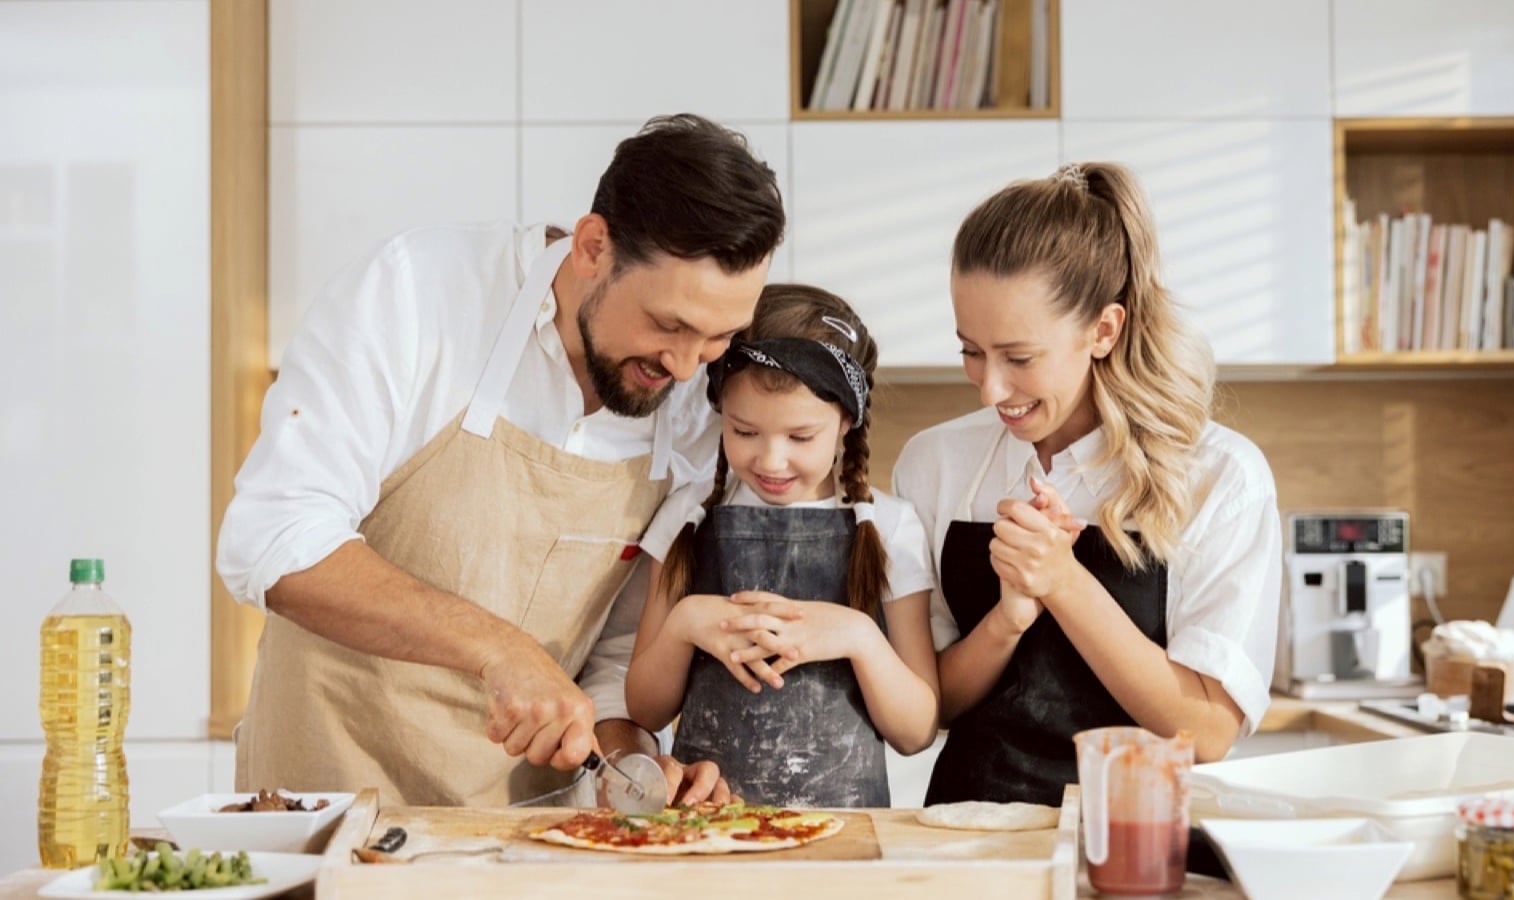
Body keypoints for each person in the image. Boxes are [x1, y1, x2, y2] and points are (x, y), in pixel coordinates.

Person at [215, 114, 787, 807]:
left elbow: (612, 655)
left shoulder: (700, 408)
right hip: (325, 806)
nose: (685, 364)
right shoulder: (416, 297)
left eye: (717, 338)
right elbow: (272, 542)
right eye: (668, 324)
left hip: (522, 835)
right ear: (592, 247)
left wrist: (634, 764)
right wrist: (499, 649)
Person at [892, 162, 1281, 806]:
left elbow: (1208, 730)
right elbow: (930, 704)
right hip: (967, 835)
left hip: (1136, 840)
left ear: (1103, 330)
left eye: (1019, 358)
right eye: (970, 350)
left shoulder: (1218, 476)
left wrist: (1065, 582)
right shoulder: (934, 464)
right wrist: (1007, 619)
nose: (990, 389)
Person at [625, 284, 939, 807]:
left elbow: (916, 731)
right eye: (744, 431)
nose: (771, 461)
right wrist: (685, 625)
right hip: (706, 833)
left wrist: (858, 636)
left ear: (845, 421)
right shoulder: (687, 516)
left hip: (842, 846)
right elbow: (644, 710)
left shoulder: (892, 527)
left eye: (800, 437)